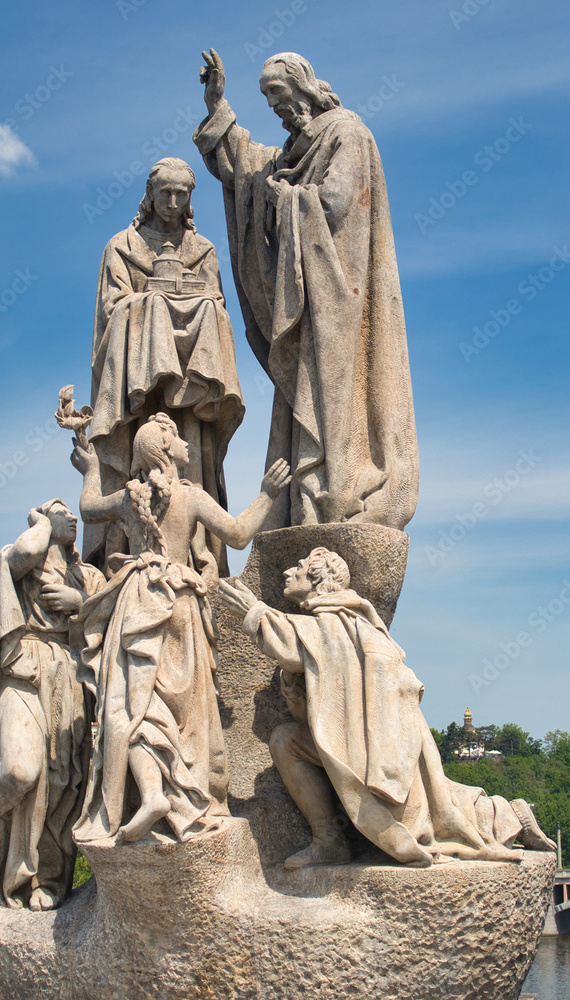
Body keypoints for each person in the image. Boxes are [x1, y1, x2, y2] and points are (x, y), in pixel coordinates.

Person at [220, 548, 556, 869]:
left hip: (377, 756)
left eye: (298, 566)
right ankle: (330, 841)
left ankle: (506, 816)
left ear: (318, 578)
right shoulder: (342, 624)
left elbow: (295, 643)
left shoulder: (340, 624)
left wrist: (256, 612)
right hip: (363, 749)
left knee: (429, 812)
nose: (287, 571)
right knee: (287, 739)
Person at [195, 50, 418, 530]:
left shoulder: (347, 133)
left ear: (302, 87)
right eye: (265, 97)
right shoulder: (295, 150)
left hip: (338, 297)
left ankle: (331, 497)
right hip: (307, 298)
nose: (273, 106)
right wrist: (218, 108)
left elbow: (338, 207)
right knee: (301, 398)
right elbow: (248, 168)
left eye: (276, 93)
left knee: (332, 398)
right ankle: (303, 506)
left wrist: (288, 198)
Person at [71, 413, 290, 845]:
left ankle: (153, 794)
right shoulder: (192, 497)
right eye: (179, 437)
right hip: (180, 603)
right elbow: (240, 534)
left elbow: (87, 509)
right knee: (184, 711)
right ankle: (183, 795)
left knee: (137, 707)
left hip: (137, 601)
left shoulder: (129, 496)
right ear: (164, 447)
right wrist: (266, 495)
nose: (189, 443)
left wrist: (91, 469)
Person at [86, 156, 245, 576]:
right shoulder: (122, 246)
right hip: (138, 396)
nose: (173, 202)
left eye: (182, 193)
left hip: (193, 401)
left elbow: (219, 306)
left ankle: (198, 556)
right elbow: (111, 310)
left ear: (191, 197)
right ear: (150, 193)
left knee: (191, 469)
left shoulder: (202, 250)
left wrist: (194, 304)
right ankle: (128, 557)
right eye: (165, 192)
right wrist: (153, 305)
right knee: (152, 303)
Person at [0, 501, 106, 910]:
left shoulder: (88, 576)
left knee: (62, 784)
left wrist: (79, 603)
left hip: (69, 677)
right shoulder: (22, 565)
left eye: (73, 513)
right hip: (25, 669)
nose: (72, 517)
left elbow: (115, 619)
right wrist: (40, 521)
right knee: (20, 770)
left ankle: (48, 880)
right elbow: (25, 552)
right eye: (61, 510)